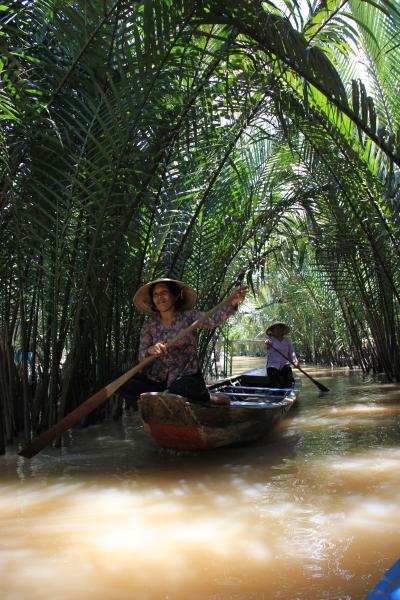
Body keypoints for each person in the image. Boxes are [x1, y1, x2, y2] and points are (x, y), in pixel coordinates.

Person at [120, 278, 248, 405]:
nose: (160, 297)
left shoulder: (188, 316)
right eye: (155, 294)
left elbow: (213, 319)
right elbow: (142, 354)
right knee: (122, 381)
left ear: (174, 296)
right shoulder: (149, 323)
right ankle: (163, 398)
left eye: (164, 292)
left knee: (181, 389)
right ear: (153, 300)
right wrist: (150, 350)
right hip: (157, 379)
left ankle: (209, 398)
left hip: (185, 376)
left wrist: (232, 302)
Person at [264, 322, 298, 389]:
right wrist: (267, 345)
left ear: (283, 330)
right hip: (272, 365)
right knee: (273, 375)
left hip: (284, 365)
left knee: (288, 372)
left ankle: (287, 391)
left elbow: (292, 352)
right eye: (277, 328)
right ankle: (276, 392)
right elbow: (265, 350)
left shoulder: (287, 341)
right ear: (272, 330)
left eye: (280, 328)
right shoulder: (269, 340)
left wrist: (295, 361)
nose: (279, 330)